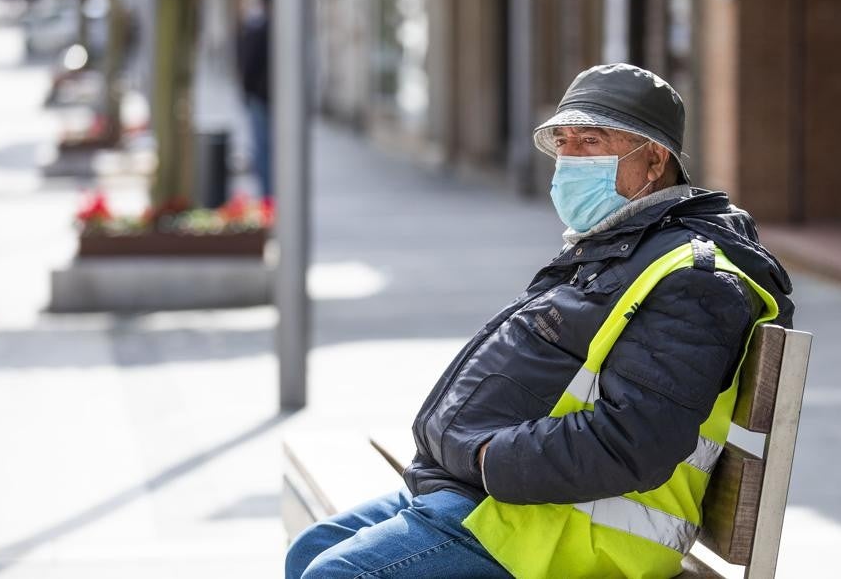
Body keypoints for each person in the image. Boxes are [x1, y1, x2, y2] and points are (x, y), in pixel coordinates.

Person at [285, 63, 795, 579]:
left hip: (570, 531)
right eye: (564, 143)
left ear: (655, 158)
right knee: (311, 547)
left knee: (336, 573)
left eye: (591, 142)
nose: (571, 160)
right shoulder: (618, 245)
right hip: (504, 500)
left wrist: (485, 457)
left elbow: (633, 440)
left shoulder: (694, 279)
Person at [237, 0, 273, 199]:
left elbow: (248, 66)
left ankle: (268, 196)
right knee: (269, 150)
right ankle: (272, 196)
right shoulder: (267, 30)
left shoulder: (259, 30)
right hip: (267, 99)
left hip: (260, 98)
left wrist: (247, 93)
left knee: (263, 150)